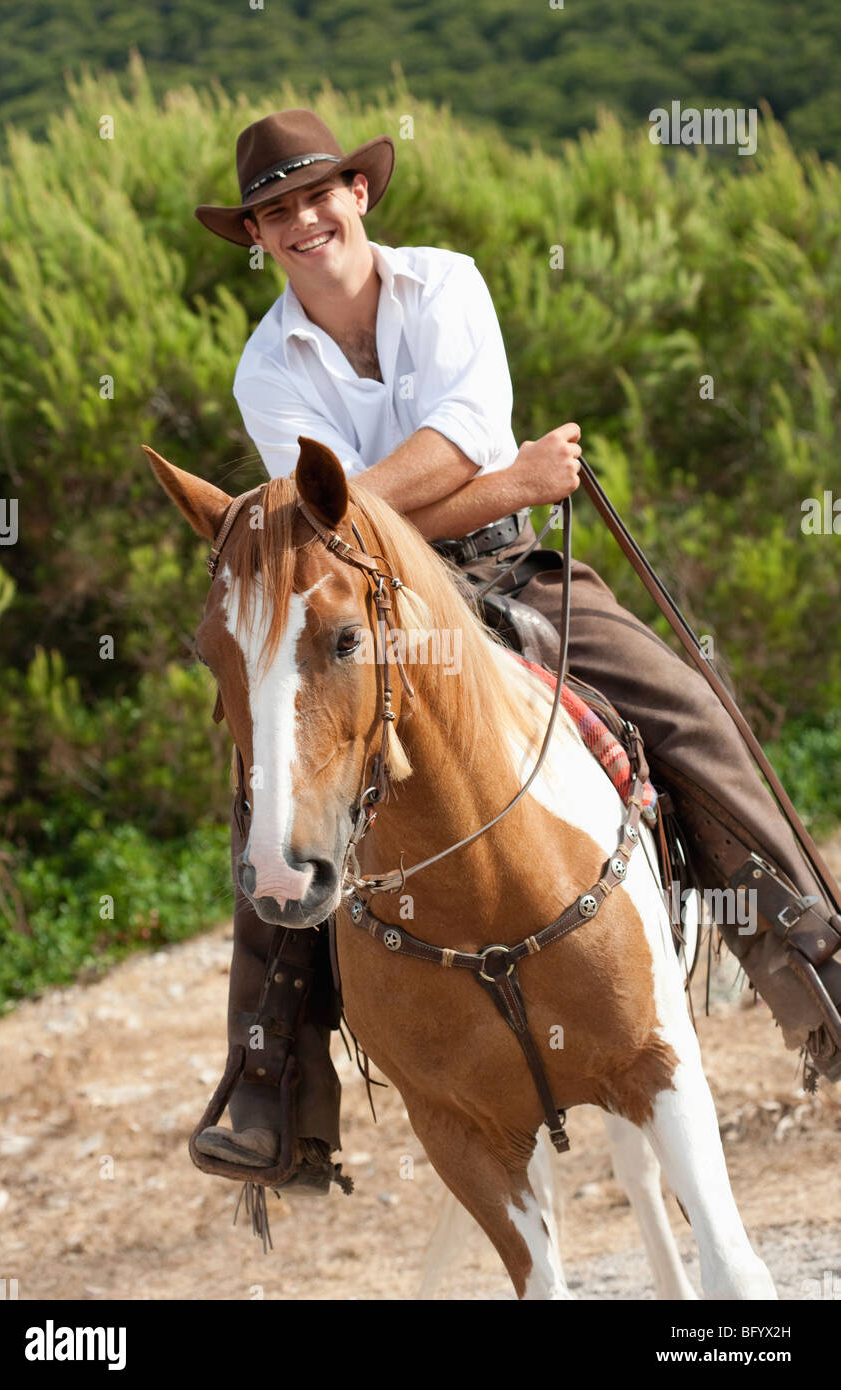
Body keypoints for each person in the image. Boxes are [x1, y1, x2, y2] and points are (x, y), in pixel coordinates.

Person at [191, 108, 841, 1192]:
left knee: (683, 705)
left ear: (359, 195)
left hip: (499, 568)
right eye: (274, 211)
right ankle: (268, 1082)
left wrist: (381, 507)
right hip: (367, 606)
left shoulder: (444, 284)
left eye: (317, 195)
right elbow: (340, 532)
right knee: (273, 788)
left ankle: (814, 961)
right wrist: (514, 481)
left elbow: (440, 437)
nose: (301, 219)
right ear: (255, 238)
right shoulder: (266, 369)